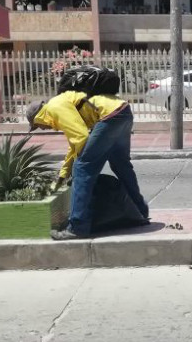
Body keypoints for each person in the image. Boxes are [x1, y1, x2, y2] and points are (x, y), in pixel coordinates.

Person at [24, 68, 149, 240]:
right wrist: (62, 174)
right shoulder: (61, 104)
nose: (43, 128)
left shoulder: (53, 108)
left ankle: (77, 227)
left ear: (38, 118)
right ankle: (140, 213)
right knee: (121, 165)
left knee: (82, 170)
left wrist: (74, 169)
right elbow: (73, 145)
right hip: (123, 111)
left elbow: (81, 137)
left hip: (109, 116)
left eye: (38, 126)